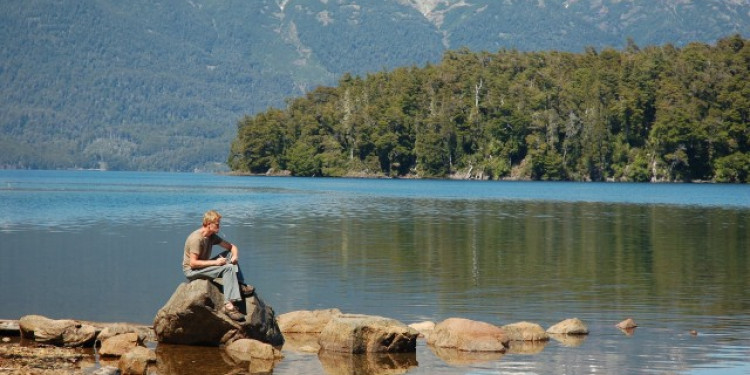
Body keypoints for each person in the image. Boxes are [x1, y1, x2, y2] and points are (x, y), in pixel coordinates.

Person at [182, 210, 255, 321]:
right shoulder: (196, 239)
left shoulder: (211, 236)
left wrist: (235, 256)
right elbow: (193, 263)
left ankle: (240, 285)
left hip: (203, 266)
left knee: (229, 255)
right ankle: (228, 306)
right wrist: (216, 263)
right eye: (217, 224)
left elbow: (232, 247)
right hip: (192, 271)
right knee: (228, 268)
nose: (219, 226)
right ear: (208, 224)